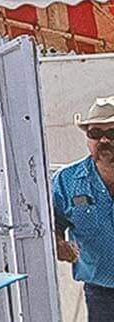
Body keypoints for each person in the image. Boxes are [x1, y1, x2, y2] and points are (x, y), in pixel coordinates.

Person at [55, 95, 114, 321]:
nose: (104, 141)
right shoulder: (66, 181)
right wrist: (59, 242)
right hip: (100, 293)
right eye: (96, 134)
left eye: (112, 133)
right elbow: (52, 221)